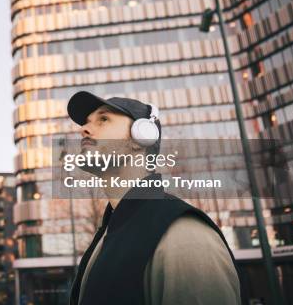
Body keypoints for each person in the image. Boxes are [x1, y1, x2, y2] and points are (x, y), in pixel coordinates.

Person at [66, 91, 241, 305]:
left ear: (142, 136)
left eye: (103, 119)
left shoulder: (182, 234)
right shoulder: (107, 235)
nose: (83, 129)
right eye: (86, 122)